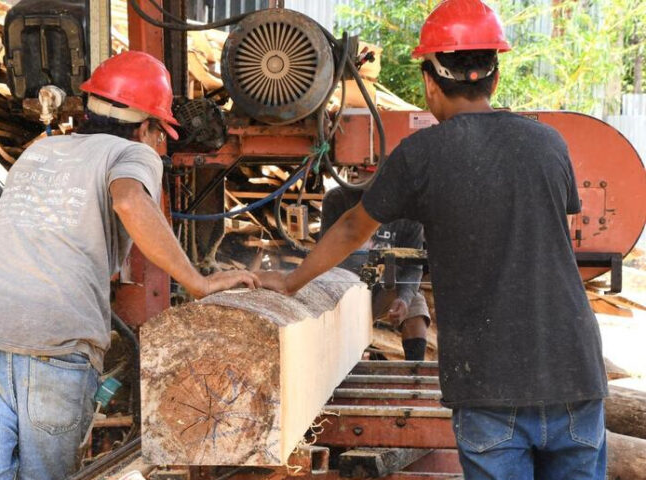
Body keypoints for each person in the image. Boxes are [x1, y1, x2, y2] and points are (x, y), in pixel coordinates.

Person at [258, 0, 608, 478]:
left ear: (429, 83)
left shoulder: (421, 154)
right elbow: (553, 241)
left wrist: (290, 283)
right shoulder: (549, 143)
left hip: (489, 383)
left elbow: (351, 227)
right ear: (495, 77)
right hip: (575, 374)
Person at [0, 51, 258, 480]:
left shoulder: (40, 151)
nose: (158, 145)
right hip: (53, 343)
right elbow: (129, 200)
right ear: (146, 125)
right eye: (158, 134)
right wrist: (198, 282)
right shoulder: (131, 154)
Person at [321, 185, 429, 360]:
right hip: (344, 288)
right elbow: (325, 252)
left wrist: (404, 299)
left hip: (385, 286)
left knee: (415, 303)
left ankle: (415, 375)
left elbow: (413, 266)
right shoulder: (339, 199)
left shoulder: (410, 211)